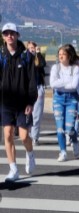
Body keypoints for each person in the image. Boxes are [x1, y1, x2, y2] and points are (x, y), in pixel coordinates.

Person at [0, 23, 37, 181]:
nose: (9, 36)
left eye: (12, 33)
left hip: (23, 104)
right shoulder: (1, 56)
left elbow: (32, 82)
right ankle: (13, 169)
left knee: (23, 137)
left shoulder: (26, 56)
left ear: (17, 35)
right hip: (5, 103)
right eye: (6, 33)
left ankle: (30, 154)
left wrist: (30, 102)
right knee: (7, 134)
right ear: (3, 37)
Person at [50, 44, 79, 162]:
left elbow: (74, 86)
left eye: (63, 54)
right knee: (60, 128)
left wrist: (61, 83)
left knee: (69, 128)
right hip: (58, 99)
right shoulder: (55, 68)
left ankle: (75, 140)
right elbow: (52, 84)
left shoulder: (75, 68)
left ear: (69, 55)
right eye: (59, 54)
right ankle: (63, 151)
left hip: (71, 100)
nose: (61, 56)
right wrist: (66, 82)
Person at [27, 41, 46, 146]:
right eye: (29, 48)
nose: (31, 50)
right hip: (26, 89)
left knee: (37, 114)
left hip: (38, 88)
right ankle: (27, 133)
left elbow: (43, 64)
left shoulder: (37, 59)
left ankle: (34, 137)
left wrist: (38, 54)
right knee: (27, 113)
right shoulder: (25, 59)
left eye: (33, 48)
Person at [68, 44, 79, 146]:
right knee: (68, 114)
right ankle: (68, 136)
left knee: (77, 114)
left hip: (77, 89)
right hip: (66, 90)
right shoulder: (63, 64)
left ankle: (74, 136)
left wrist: (75, 81)